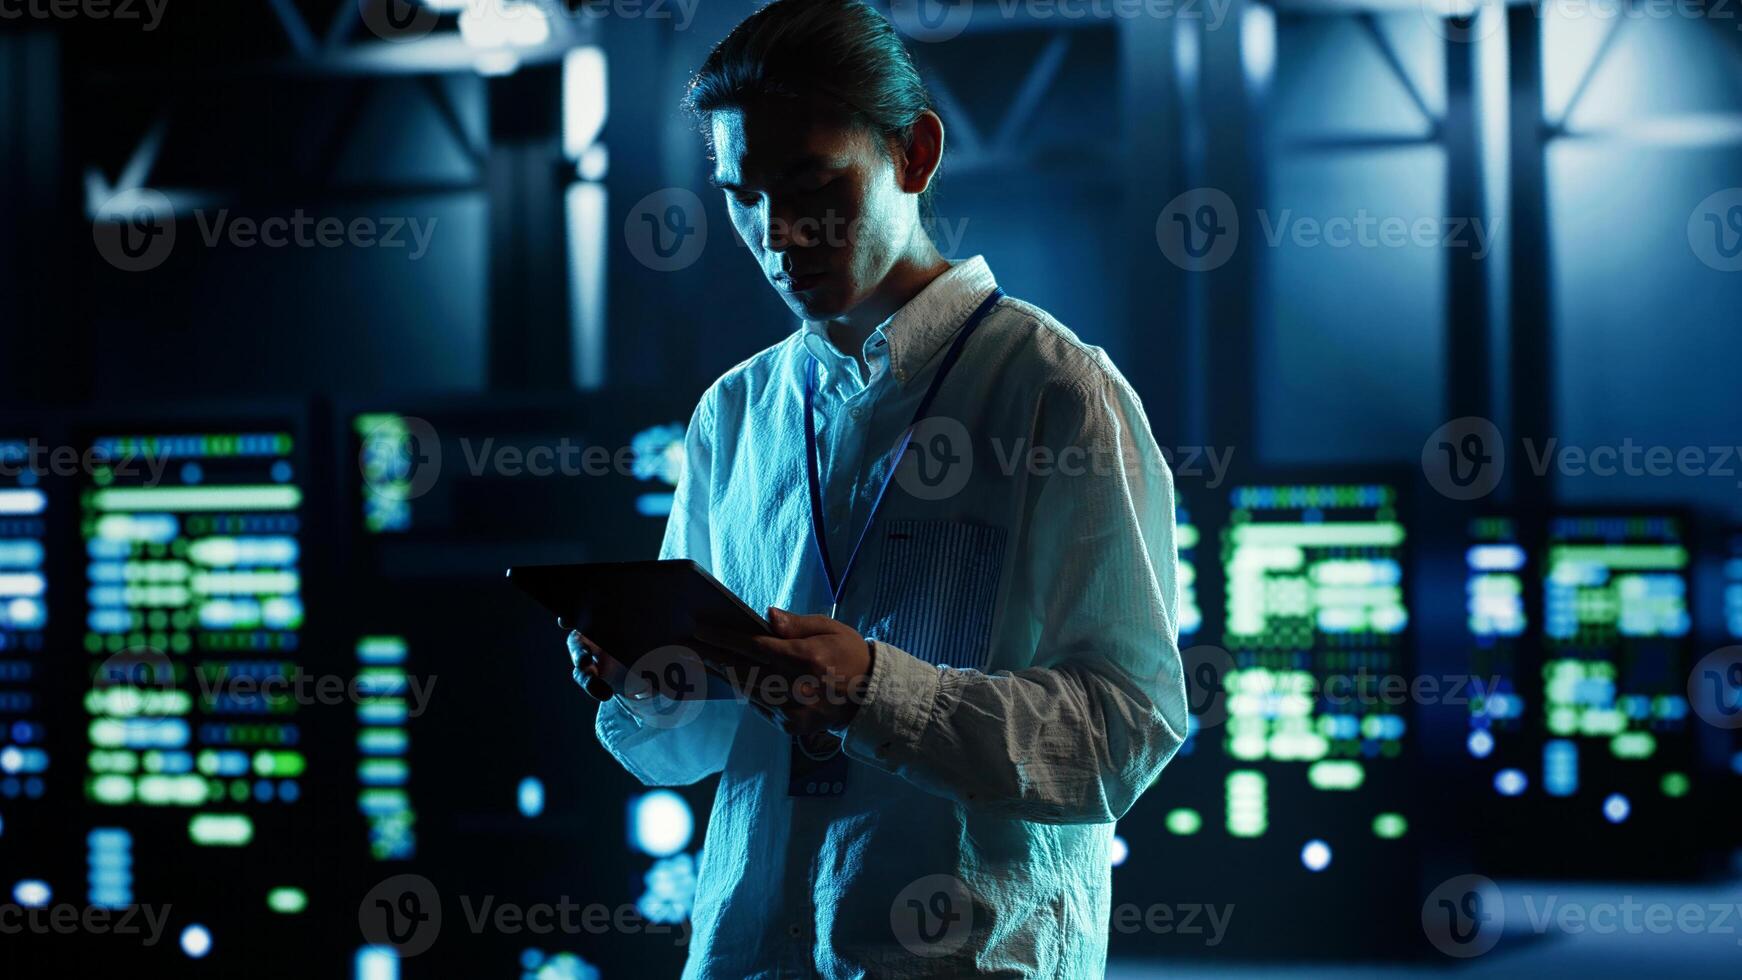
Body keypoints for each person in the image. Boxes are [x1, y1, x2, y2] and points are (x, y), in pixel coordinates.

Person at [567, 0, 1186, 975]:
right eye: (741, 194)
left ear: (915, 154)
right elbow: (691, 755)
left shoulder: (1053, 391)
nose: (775, 233)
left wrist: (872, 690)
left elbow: (1124, 732)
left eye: (810, 184)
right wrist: (657, 680)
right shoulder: (733, 414)